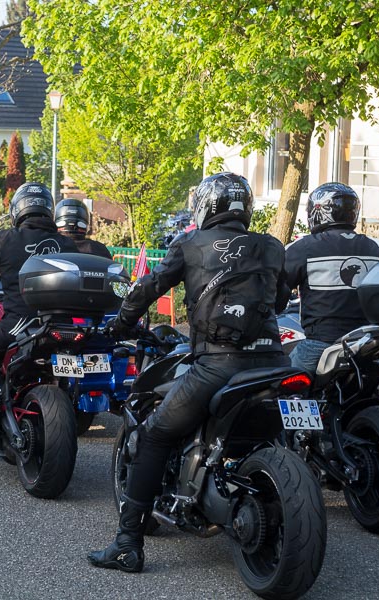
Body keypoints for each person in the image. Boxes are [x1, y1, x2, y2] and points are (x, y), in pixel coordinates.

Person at [87, 172, 290, 574]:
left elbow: (148, 287)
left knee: (155, 433)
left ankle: (128, 544)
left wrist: (120, 325)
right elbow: (280, 297)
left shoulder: (191, 243)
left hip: (218, 365)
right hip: (274, 363)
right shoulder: (272, 246)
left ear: (207, 206)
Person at [0, 182, 78, 422]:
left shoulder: (9, 239)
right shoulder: (68, 244)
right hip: (63, 327)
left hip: (20, 324)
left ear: (18, 210)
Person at [285, 183, 379, 375]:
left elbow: (277, 288)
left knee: (282, 385)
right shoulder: (372, 248)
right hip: (364, 342)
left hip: (321, 343)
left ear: (318, 211)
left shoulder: (306, 247)